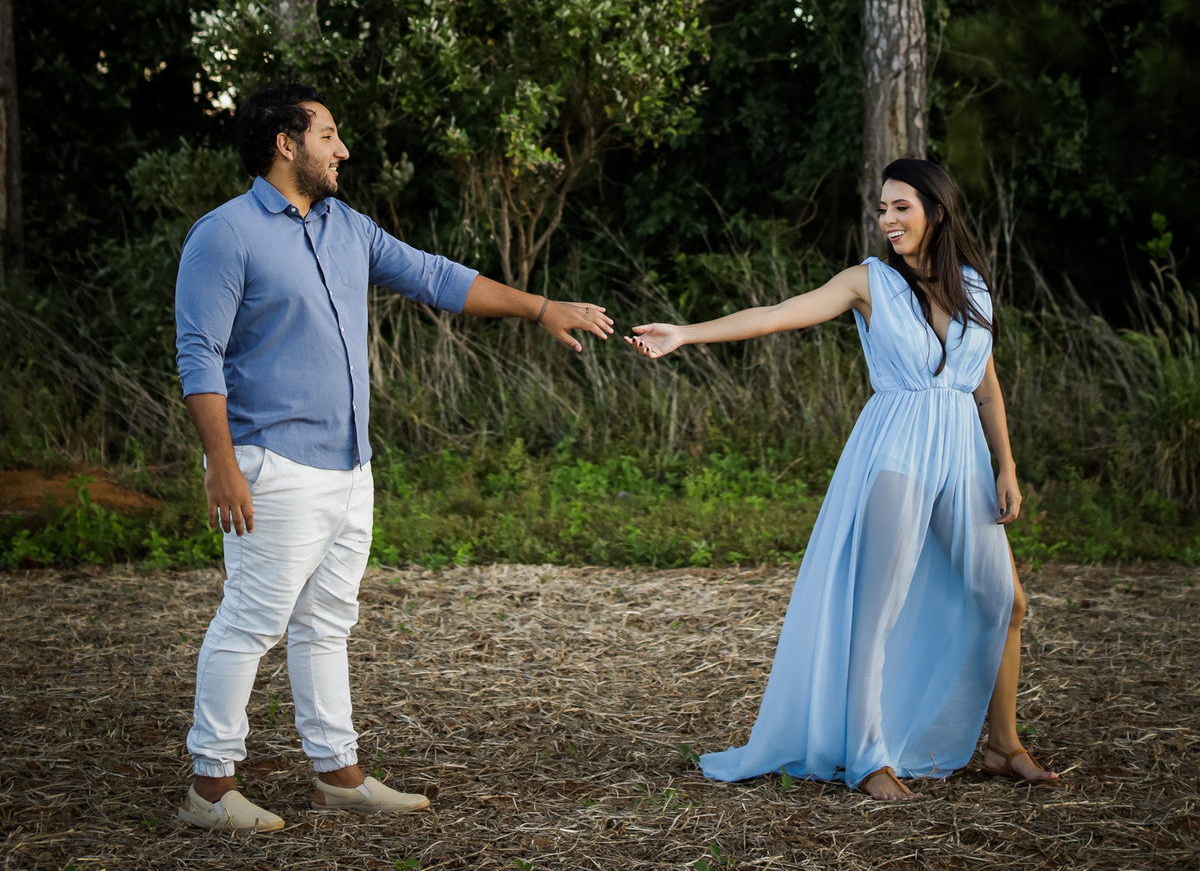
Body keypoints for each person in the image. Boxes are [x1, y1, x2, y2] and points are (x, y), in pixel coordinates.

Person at [175, 81, 613, 834]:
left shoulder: (349, 228)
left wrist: (541, 308)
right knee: (251, 623)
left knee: (328, 622)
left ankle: (338, 775)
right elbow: (199, 354)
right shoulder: (226, 234)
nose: (342, 149)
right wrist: (221, 463)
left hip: (351, 466)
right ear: (286, 144)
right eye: (328, 135)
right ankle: (209, 790)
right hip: (273, 464)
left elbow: (438, 278)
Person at [626, 158, 1056, 801]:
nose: (887, 220)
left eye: (901, 207)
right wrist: (685, 334)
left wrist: (1006, 464)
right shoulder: (868, 282)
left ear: (936, 211)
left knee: (1005, 600)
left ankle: (1003, 745)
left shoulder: (972, 284)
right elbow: (778, 313)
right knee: (875, 610)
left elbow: (985, 384)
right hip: (898, 449)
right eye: (881, 209)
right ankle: (868, 757)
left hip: (962, 454)